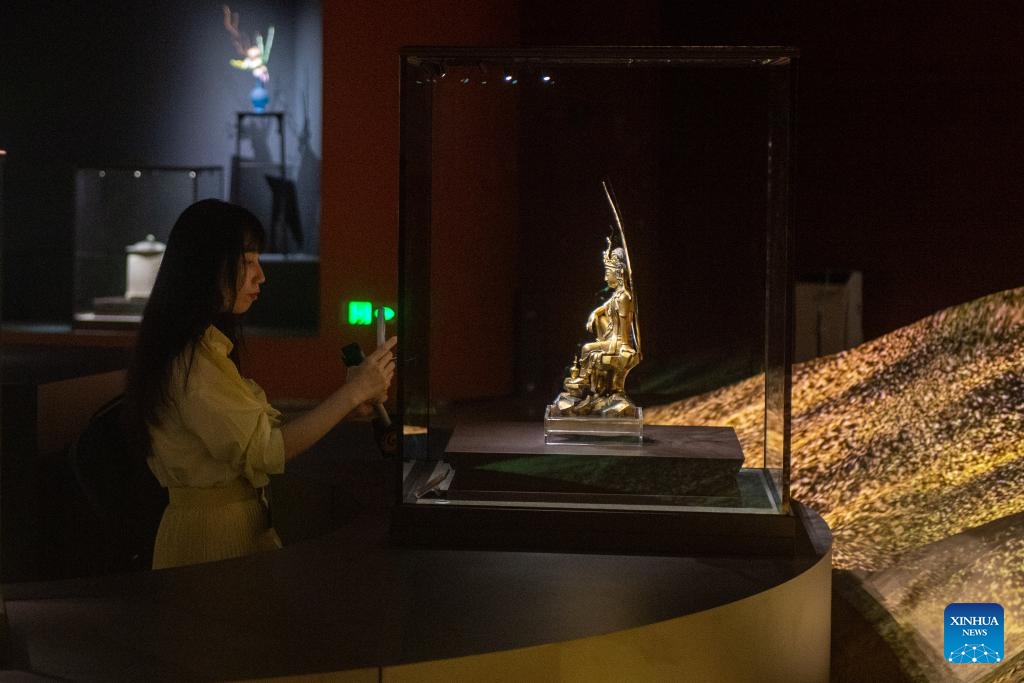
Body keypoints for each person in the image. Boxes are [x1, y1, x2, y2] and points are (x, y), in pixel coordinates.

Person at [124, 199, 396, 569]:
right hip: (210, 540)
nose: (260, 275)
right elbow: (268, 450)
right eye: (248, 261)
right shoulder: (192, 364)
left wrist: (350, 402)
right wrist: (353, 393)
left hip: (230, 529)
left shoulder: (203, 351)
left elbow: (260, 435)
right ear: (210, 265)